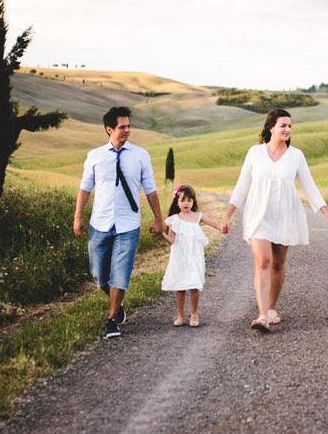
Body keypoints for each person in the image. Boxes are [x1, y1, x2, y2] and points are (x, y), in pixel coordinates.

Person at [221, 108, 328, 332]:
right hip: (259, 216)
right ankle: (262, 315)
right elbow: (242, 185)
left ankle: (271, 308)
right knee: (263, 261)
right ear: (271, 127)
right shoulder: (255, 153)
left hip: (285, 215)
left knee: (278, 263)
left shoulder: (296, 156)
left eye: (289, 126)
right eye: (283, 125)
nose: (287, 129)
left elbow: (310, 187)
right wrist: (228, 214)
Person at [73, 106, 164, 339]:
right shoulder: (95, 156)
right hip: (99, 223)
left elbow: (151, 190)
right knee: (98, 275)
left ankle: (112, 320)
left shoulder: (141, 155)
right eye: (122, 127)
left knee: (120, 275)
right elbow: (85, 188)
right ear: (109, 129)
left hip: (128, 224)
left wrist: (158, 219)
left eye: (129, 126)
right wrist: (78, 216)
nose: (127, 130)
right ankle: (117, 303)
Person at [161, 184, 222, 327]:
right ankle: (180, 315)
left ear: (193, 202)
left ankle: (194, 313)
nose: (186, 203)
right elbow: (171, 240)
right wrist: (160, 233)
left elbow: (214, 223)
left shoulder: (198, 216)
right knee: (180, 286)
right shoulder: (174, 219)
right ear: (177, 202)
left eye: (189, 200)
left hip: (195, 256)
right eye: (182, 200)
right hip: (180, 257)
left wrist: (222, 227)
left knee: (194, 284)